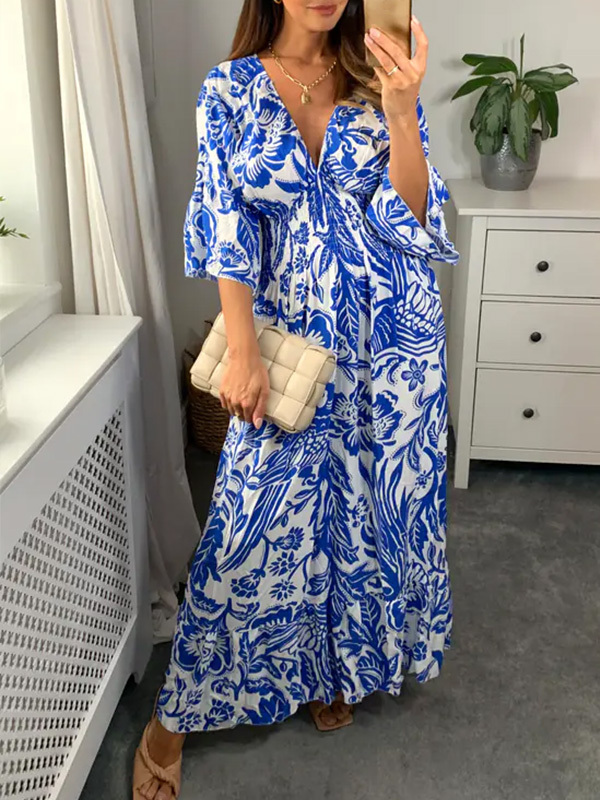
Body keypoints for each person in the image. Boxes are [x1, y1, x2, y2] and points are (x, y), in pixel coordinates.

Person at [133, 0, 459, 797]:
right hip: (292, 341)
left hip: (390, 344)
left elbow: (415, 217)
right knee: (248, 523)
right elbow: (225, 221)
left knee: (365, 516)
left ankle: (331, 670)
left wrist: (403, 111)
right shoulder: (230, 89)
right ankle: (172, 719)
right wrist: (242, 347)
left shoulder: (373, 79)